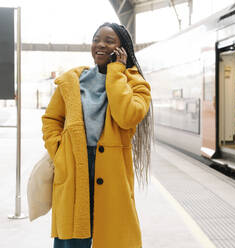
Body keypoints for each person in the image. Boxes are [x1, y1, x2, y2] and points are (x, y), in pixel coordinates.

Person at [41, 22, 153, 248]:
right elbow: (51, 120)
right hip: (74, 165)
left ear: (122, 49)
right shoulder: (71, 81)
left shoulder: (136, 83)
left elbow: (126, 116)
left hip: (111, 170)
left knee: (112, 235)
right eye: (96, 39)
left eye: (109, 41)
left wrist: (116, 72)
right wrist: (60, 150)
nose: (100, 45)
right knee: (72, 235)